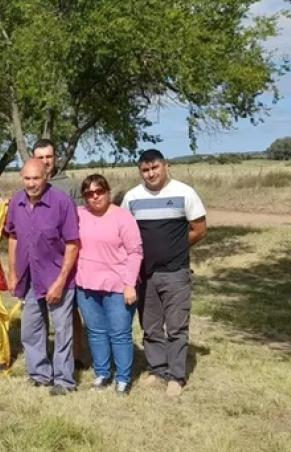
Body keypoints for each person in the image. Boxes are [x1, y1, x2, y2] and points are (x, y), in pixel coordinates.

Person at [121, 149, 207, 398]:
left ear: (165, 166)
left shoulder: (185, 193)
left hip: (176, 272)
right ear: (140, 172)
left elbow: (199, 229)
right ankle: (157, 369)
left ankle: (176, 376)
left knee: (177, 326)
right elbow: (126, 233)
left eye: (154, 168)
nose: (151, 174)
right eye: (145, 170)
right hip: (144, 275)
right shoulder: (132, 197)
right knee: (150, 325)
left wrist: (176, 248)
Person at [5, 159, 80, 396]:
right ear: (21, 178)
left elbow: (72, 244)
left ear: (46, 176)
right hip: (29, 277)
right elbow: (13, 236)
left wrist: (60, 281)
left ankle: (64, 380)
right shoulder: (16, 202)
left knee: (62, 331)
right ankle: (39, 374)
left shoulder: (62, 202)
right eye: (27, 178)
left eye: (36, 178)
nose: (31, 183)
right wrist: (13, 271)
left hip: (56, 276)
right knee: (31, 329)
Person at [75, 174, 143, 396]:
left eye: (99, 192)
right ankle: (103, 373)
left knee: (120, 333)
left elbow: (135, 252)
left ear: (107, 192)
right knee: (95, 332)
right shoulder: (79, 215)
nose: (94, 197)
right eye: (89, 194)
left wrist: (130, 284)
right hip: (87, 285)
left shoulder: (123, 218)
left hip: (118, 285)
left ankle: (123, 378)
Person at [32, 139, 89, 370]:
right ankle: (44, 356)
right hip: (40, 258)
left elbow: (79, 219)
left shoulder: (68, 185)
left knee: (69, 309)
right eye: (41, 157)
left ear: (55, 158)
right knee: (39, 311)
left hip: (65, 254)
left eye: (49, 156)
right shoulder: (31, 182)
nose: (45, 161)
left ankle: (74, 355)